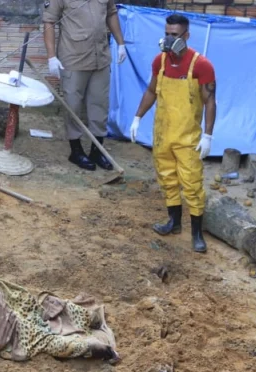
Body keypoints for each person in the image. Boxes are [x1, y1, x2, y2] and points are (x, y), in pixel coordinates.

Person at [129, 13, 216, 253]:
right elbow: (151, 90)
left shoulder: (201, 65)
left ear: (186, 36)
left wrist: (207, 135)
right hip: (163, 134)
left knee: (192, 184)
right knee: (167, 179)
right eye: (166, 34)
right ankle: (174, 222)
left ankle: (197, 233)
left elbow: (210, 102)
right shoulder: (160, 61)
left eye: (174, 35)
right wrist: (137, 117)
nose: (168, 39)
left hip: (188, 138)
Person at [43, 0, 126, 171]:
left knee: (99, 105)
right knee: (72, 106)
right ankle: (76, 150)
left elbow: (111, 13)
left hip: (100, 58)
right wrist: (51, 56)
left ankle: (97, 150)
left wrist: (121, 43)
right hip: (73, 58)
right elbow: (49, 22)